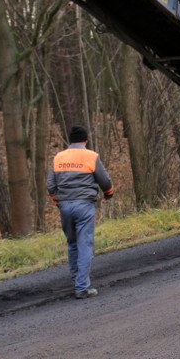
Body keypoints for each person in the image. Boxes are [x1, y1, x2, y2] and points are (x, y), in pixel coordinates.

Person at [47, 125, 114, 299]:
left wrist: (59, 202)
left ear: (70, 140)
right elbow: (105, 182)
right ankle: (82, 287)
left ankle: (76, 280)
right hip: (84, 205)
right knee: (85, 244)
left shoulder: (59, 157)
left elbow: (51, 185)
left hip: (65, 205)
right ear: (85, 140)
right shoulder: (91, 156)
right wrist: (109, 194)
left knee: (72, 243)